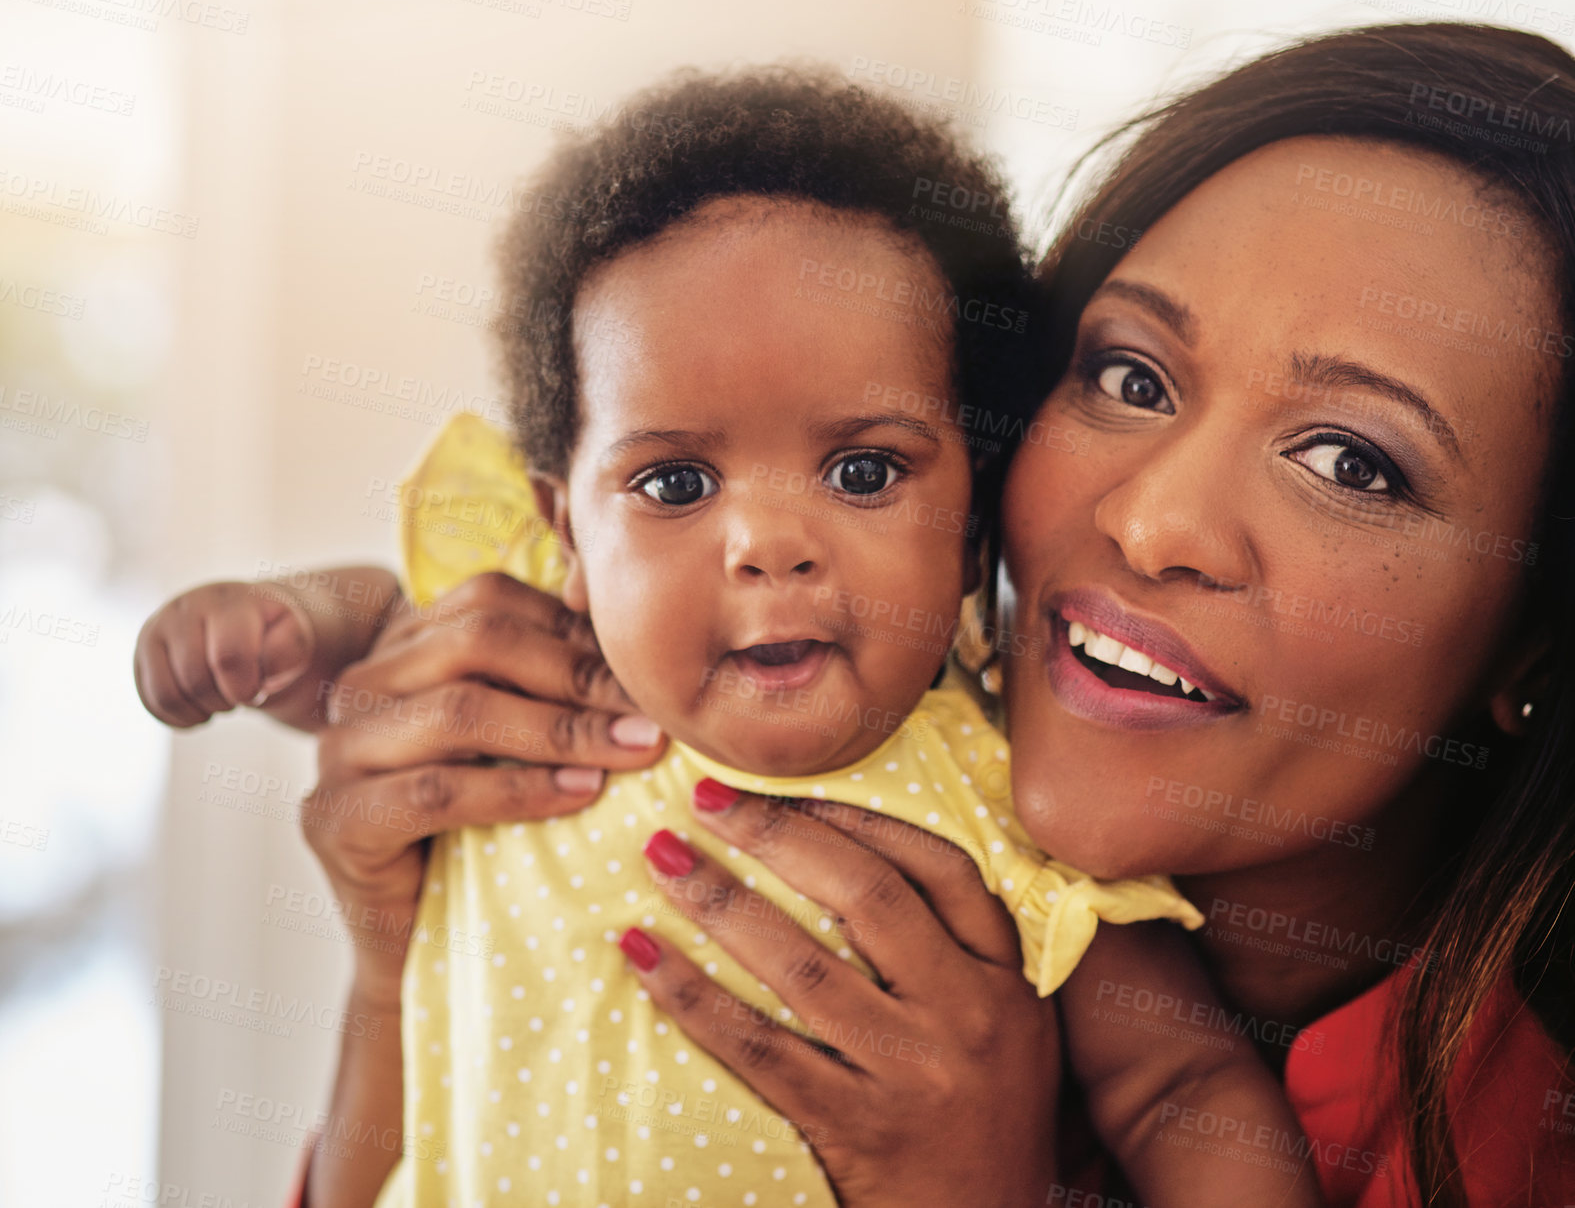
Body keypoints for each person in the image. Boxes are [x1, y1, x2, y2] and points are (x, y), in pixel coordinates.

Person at [137, 70, 1333, 1206]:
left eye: (862, 470)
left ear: (972, 530)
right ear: (564, 530)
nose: (768, 541)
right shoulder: (537, 681)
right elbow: (386, 624)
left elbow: (1179, 1084)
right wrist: (290, 626)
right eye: (672, 482)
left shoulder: (1003, 797)